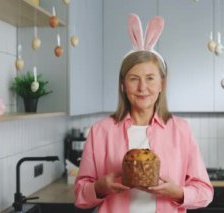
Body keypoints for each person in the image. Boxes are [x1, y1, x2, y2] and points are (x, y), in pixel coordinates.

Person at [74, 13, 213, 213]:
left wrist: (178, 192)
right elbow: (79, 196)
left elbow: (205, 191)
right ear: (123, 85)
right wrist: (99, 187)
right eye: (133, 79)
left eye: (150, 78)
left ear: (161, 84)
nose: (142, 88)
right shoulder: (100, 131)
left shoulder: (180, 130)